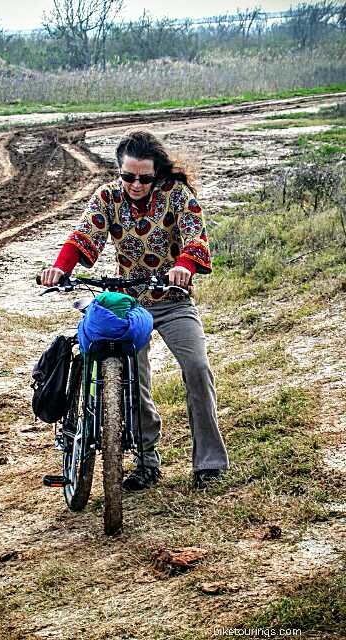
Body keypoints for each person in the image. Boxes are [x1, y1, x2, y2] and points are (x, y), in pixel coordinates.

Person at [41, 130, 229, 490]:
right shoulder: (107, 198)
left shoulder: (176, 196)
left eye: (145, 177)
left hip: (172, 300)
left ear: (156, 173)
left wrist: (184, 267)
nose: (136, 184)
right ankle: (146, 462)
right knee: (131, 380)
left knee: (197, 367)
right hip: (130, 305)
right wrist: (60, 268)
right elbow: (84, 237)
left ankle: (210, 462)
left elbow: (195, 238)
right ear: (119, 172)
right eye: (128, 177)